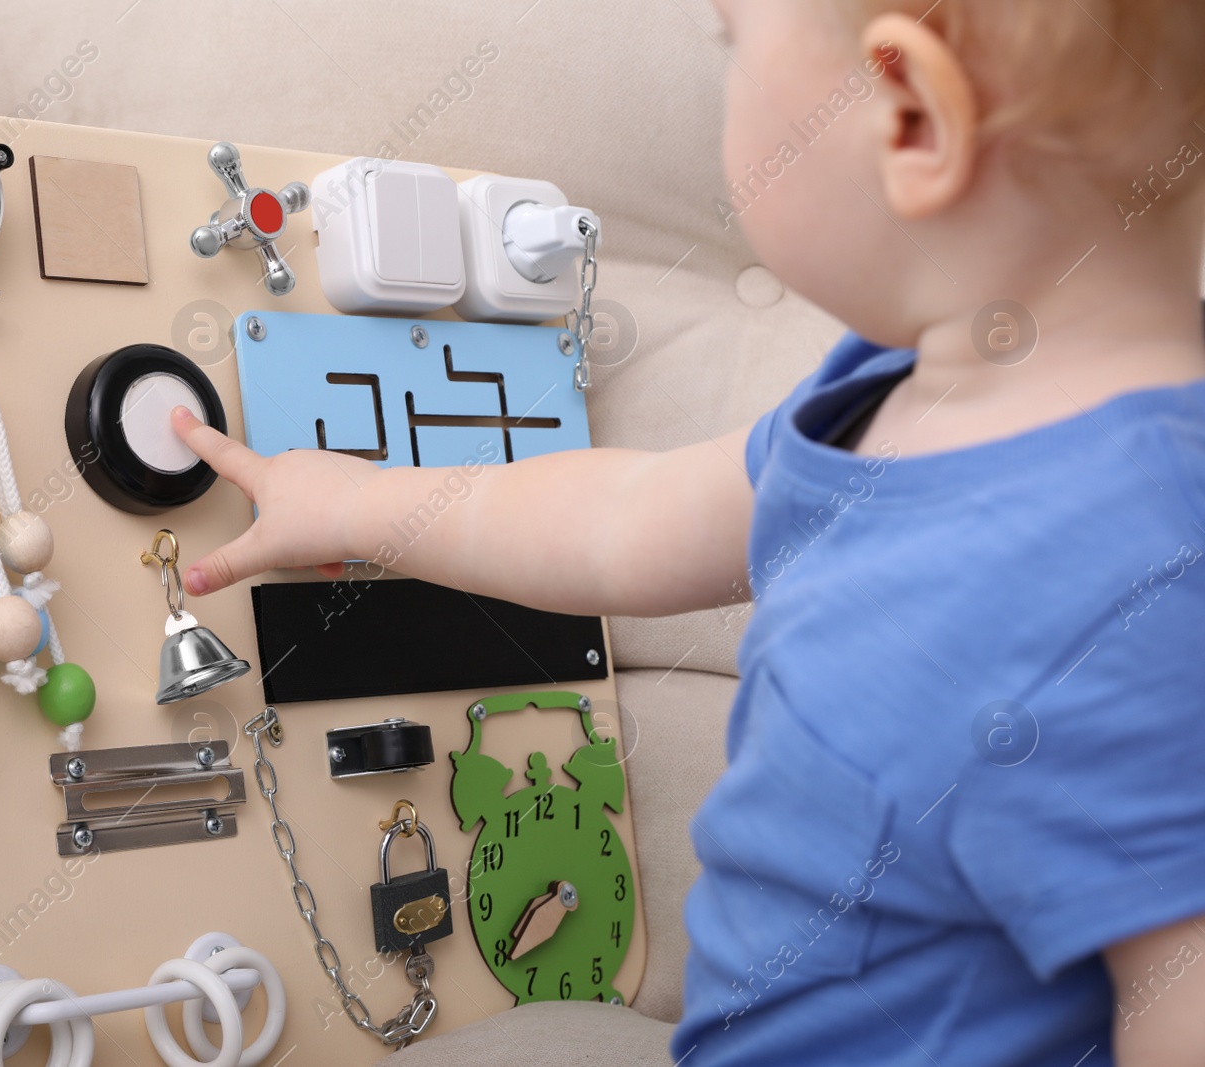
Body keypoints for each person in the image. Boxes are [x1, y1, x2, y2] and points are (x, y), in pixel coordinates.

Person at [171, 0, 1205, 1060]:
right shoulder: (884, 395)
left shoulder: (1143, 573)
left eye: (733, 44)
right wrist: (354, 505)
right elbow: (623, 520)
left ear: (908, 120)